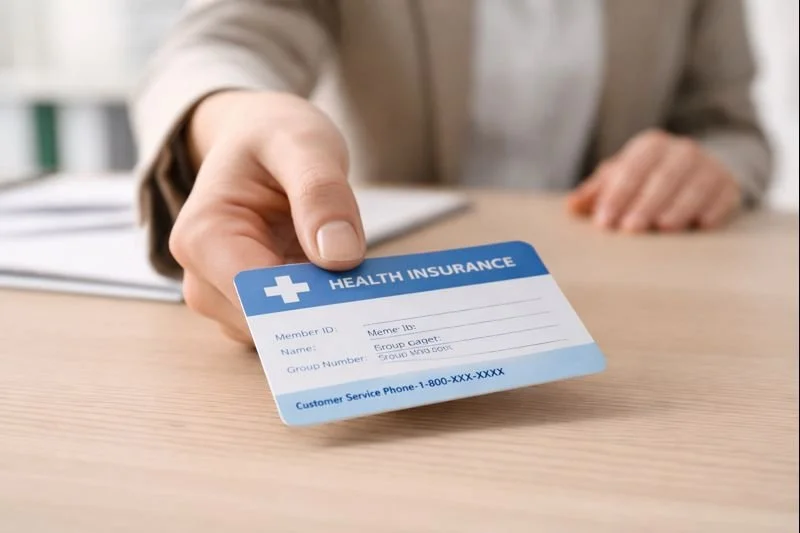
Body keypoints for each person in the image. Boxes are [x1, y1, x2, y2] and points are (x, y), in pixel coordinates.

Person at [130, 0, 771, 343]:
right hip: (381, 286)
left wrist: (712, 163)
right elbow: (217, 42)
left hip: (628, 299)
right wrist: (235, 116)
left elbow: (732, 127)